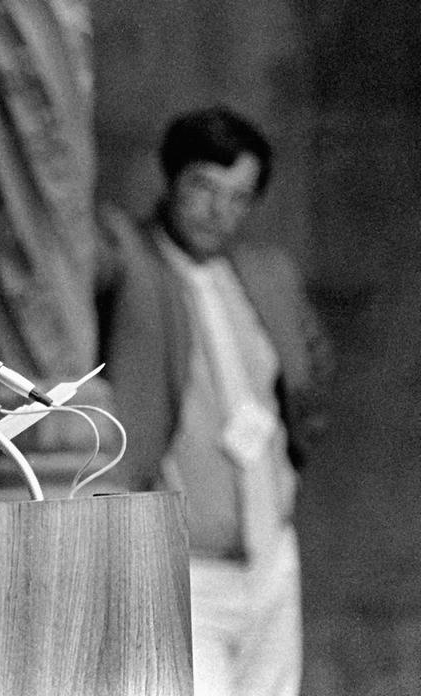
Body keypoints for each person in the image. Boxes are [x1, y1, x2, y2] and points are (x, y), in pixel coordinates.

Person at [84, 107, 332, 695]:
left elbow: (311, 363)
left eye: (239, 197)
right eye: (204, 187)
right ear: (172, 180)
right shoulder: (133, 258)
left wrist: (298, 437)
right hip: (182, 565)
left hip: (272, 555)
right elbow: (77, 249)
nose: (219, 212)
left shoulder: (267, 273)